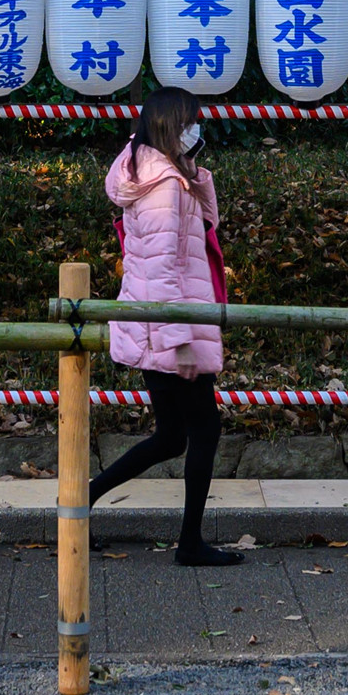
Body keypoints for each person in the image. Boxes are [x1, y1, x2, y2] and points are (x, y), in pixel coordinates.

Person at [85, 89, 240, 567]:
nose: (199, 129)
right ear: (173, 125)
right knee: (204, 428)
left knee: (173, 436)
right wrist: (182, 345)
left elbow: (206, 229)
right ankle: (189, 544)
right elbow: (162, 270)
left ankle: (78, 504)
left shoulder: (163, 176)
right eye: (192, 122)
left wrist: (195, 172)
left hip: (162, 327)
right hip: (169, 331)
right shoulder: (164, 185)